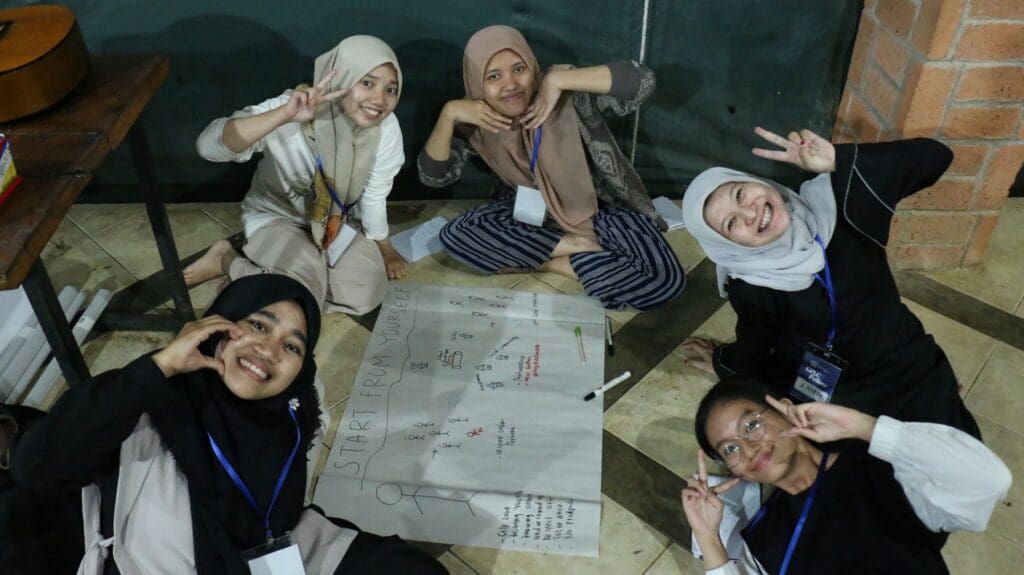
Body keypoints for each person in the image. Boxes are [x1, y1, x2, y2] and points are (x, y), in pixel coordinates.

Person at [11, 274, 445, 574]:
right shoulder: (147, 399)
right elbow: (35, 467)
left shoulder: (298, 414)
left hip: (271, 553)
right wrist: (159, 366)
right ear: (217, 325)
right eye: (257, 324)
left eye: (292, 346)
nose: (268, 350)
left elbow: (284, 515)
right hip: (158, 561)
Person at [679, 127, 978, 436]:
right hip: (836, 392)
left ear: (755, 181)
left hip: (904, 359)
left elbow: (936, 157)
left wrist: (838, 159)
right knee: (863, 470)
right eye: (731, 223)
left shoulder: (840, 204)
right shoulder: (751, 283)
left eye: (740, 194)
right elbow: (755, 344)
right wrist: (723, 363)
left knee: (956, 454)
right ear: (728, 246)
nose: (749, 213)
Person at [418, 25, 683, 311]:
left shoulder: (570, 97)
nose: (510, 84)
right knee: (456, 235)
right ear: (476, 81)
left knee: (665, 280)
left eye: (519, 68)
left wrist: (559, 80)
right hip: (533, 212)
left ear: (533, 67)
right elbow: (434, 177)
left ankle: (546, 261)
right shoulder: (478, 120)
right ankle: (574, 250)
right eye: (493, 76)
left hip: (602, 209)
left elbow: (643, 81)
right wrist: (449, 115)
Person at [682, 378, 1011, 574]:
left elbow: (986, 482)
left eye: (751, 425)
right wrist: (708, 537)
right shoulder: (764, 537)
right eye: (729, 449)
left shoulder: (880, 469)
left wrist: (866, 427)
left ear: (785, 408)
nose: (748, 449)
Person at [186, 35, 409, 315]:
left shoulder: (385, 128)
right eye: (367, 83)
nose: (380, 100)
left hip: (334, 223)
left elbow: (375, 194)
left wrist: (385, 249)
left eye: (391, 89)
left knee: (367, 291)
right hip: (276, 217)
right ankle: (227, 260)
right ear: (342, 78)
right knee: (302, 286)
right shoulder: (295, 107)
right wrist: (283, 116)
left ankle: (267, 280)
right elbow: (208, 147)